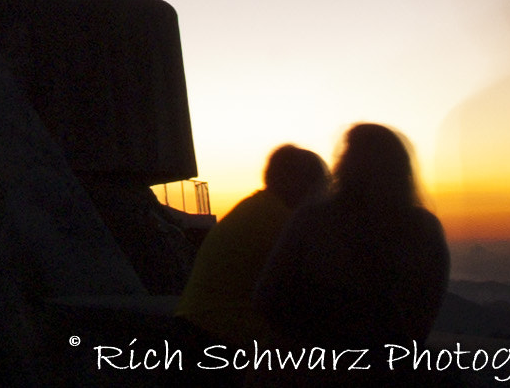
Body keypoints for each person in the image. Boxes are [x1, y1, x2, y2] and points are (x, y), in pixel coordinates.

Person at [255, 124, 449, 349]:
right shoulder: (425, 229)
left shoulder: (313, 219)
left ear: (345, 167)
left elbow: (266, 297)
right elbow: (425, 311)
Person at [176, 144, 328, 341]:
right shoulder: (278, 220)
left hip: (199, 322)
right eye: (318, 183)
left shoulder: (257, 207)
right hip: (221, 331)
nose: (321, 192)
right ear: (296, 181)